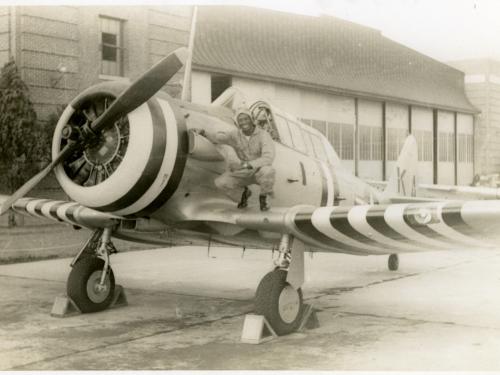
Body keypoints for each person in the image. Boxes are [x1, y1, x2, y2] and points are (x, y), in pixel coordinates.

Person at [194, 108, 276, 211]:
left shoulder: (264, 135)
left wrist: (246, 165)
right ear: (238, 123)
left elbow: (268, 158)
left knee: (268, 171)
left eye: (246, 119)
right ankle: (244, 194)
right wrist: (203, 132)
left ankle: (264, 198)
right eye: (240, 120)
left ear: (251, 119)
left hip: (259, 170)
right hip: (243, 171)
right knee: (221, 183)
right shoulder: (235, 134)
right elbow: (218, 138)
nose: (243, 122)